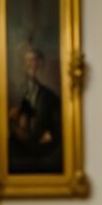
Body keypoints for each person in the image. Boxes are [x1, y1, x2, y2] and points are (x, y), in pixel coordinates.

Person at [8, 45, 62, 174]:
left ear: (39, 63)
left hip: (43, 149)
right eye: (27, 60)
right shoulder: (17, 92)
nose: (30, 64)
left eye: (33, 60)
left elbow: (59, 124)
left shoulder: (49, 96)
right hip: (21, 148)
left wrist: (52, 134)